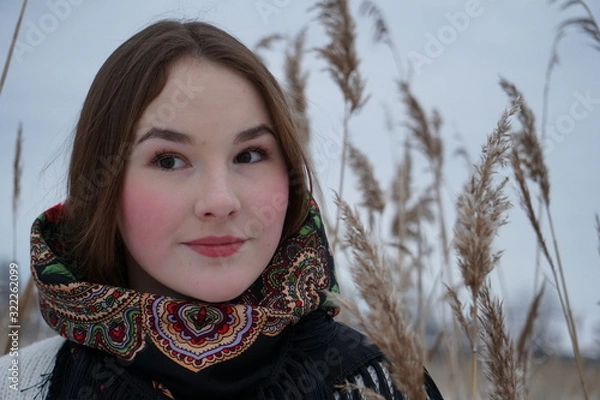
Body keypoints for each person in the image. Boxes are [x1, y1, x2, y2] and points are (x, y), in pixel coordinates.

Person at [0, 20, 444, 400]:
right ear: (103, 186)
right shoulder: (19, 386)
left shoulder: (376, 384)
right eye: (169, 160)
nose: (220, 201)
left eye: (249, 155)